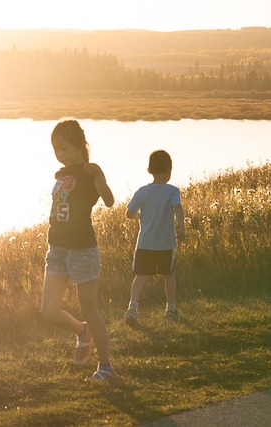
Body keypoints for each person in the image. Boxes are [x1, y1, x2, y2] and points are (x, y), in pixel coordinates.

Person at [41, 119, 116, 381]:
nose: (60, 154)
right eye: (56, 149)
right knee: (48, 311)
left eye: (65, 148)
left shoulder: (89, 171)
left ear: (80, 146)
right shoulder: (60, 175)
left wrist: (100, 179)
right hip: (57, 248)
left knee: (89, 308)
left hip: (82, 249)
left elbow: (108, 201)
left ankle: (105, 366)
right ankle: (82, 332)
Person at [124, 150, 186, 326]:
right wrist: (182, 229)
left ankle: (132, 309)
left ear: (149, 170)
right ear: (169, 170)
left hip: (145, 243)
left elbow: (128, 213)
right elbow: (178, 209)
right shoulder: (173, 191)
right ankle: (171, 310)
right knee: (169, 276)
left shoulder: (142, 192)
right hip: (166, 244)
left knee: (140, 277)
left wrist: (141, 216)